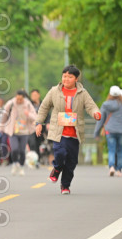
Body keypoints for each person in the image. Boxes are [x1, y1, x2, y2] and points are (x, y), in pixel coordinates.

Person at [35, 65, 101, 195]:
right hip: (59, 132)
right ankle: (56, 169)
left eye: (69, 77)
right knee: (60, 153)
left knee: (71, 162)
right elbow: (44, 107)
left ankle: (65, 185)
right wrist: (39, 123)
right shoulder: (54, 91)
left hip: (74, 133)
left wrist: (96, 113)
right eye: (64, 76)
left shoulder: (82, 93)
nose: (66, 79)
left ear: (76, 79)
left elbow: (91, 106)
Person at [1, 90, 38, 176]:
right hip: (13, 131)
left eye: (20, 99)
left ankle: (21, 167)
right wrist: (2, 126)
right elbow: (4, 115)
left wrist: (28, 114)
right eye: (17, 99)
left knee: (22, 151)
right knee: (14, 149)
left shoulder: (28, 104)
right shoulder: (11, 103)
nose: (18, 101)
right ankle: (15, 164)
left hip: (24, 131)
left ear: (24, 98)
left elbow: (35, 117)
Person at [0, 98, 11, 165]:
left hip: (4, 131)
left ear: (3, 102)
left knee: (3, 143)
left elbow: (8, 120)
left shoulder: (5, 110)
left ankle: (5, 159)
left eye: (1, 102)